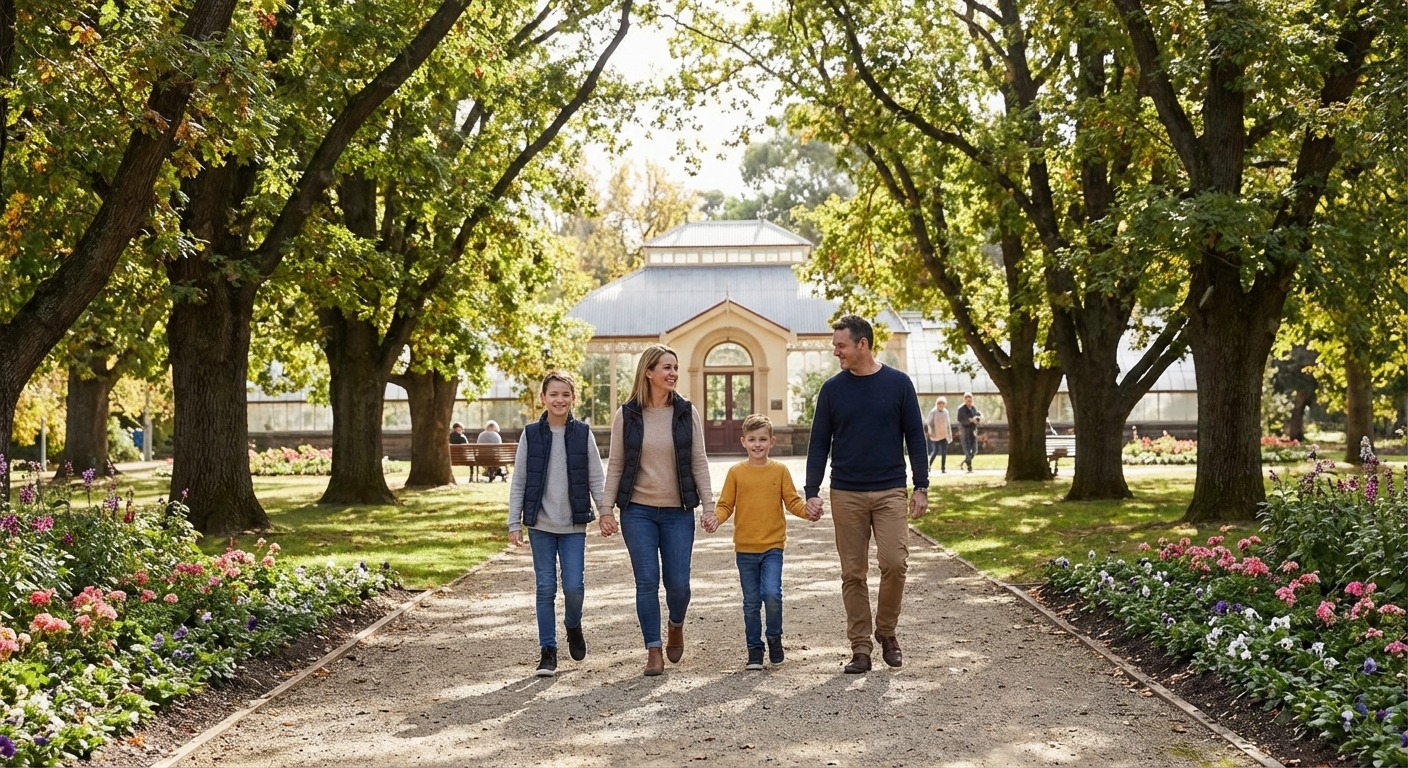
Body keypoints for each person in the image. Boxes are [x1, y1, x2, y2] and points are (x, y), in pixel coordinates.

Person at [804, 314, 929, 675]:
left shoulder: (899, 384)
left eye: (840, 345)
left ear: (863, 344)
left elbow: (916, 440)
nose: (835, 352)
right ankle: (860, 648)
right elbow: (818, 444)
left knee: (895, 562)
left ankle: (886, 631)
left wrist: (921, 486)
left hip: (890, 489)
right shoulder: (832, 390)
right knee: (853, 573)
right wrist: (812, 491)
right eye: (834, 346)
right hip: (847, 492)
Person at [602, 344, 714, 677]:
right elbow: (617, 463)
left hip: (679, 511)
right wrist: (606, 508)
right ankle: (653, 649)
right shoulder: (628, 414)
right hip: (638, 512)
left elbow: (699, 461)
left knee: (679, 584)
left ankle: (675, 623)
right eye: (666, 367)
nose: (673, 373)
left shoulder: (686, 412)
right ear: (648, 372)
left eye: (675, 368)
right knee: (647, 582)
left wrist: (709, 505)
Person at [507, 372, 616, 677]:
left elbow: (596, 477)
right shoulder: (531, 434)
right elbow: (519, 482)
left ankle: (573, 624)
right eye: (553, 394)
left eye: (565, 394)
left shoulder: (583, 433)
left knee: (574, 586)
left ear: (573, 398)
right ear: (543, 398)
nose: (559, 400)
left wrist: (605, 511)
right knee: (545, 587)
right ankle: (548, 651)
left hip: (573, 524)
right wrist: (513, 522)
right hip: (540, 524)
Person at [702, 414, 811, 670]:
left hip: (773, 546)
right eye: (752, 440)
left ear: (772, 441)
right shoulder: (736, 472)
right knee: (751, 602)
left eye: (763, 439)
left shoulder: (780, 471)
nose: (757, 444)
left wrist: (808, 512)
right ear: (744, 442)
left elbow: (793, 501)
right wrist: (715, 519)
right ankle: (754, 650)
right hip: (746, 549)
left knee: (772, 594)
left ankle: (774, 637)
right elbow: (726, 504)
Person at [956, 392, 982, 472]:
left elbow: (978, 416)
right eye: (967, 401)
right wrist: (969, 421)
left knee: (975, 450)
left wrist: (977, 419)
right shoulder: (961, 409)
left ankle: (966, 461)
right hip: (964, 431)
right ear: (964, 400)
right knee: (967, 450)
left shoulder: (973, 408)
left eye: (970, 401)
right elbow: (960, 419)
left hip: (973, 431)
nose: (969, 402)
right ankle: (969, 467)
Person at [926, 396, 953, 472]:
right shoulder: (933, 412)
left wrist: (949, 435)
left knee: (944, 452)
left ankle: (943, 468)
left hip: (944, 435)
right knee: (935, 451)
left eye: (943, 404)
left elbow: (948, 425)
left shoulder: (946, 412)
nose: (941, 405)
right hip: (936, 435)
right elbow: (929, 422)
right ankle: (928, 466)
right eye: (939, 404)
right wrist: (931, 431)